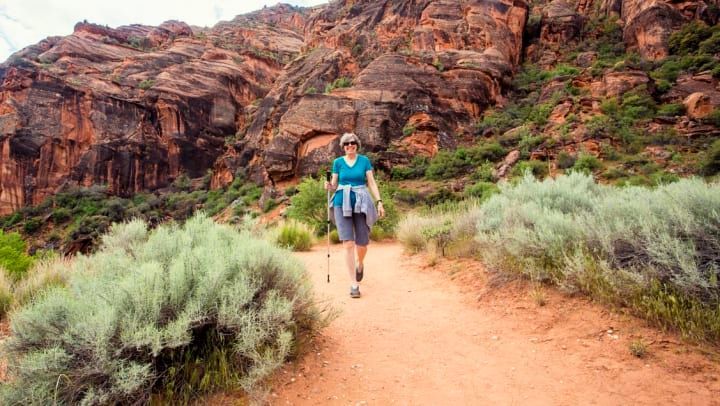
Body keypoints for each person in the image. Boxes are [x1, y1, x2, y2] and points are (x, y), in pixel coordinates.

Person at [324, 132, 385, 298]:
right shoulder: (337, 162)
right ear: (343, 147)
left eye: (352, 143)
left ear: (357, 144)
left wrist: (379, 201)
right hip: (341, 202)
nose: (349, 145)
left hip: (361, 201)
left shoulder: (364, 161)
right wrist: (328, 185)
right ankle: (354, 284)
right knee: (348, 243)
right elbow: (334, 185)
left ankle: (360, 263)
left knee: (362, 243)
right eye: (346, 144)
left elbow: (371, 182)